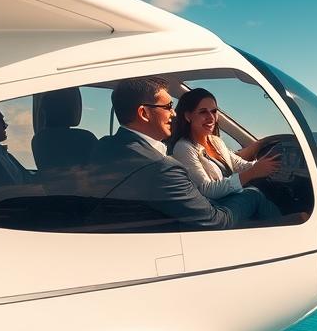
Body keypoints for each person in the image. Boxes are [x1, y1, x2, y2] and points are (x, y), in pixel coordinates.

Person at [90, 78, 234, 230]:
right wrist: (251, 195)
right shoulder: (161, 167)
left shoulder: (103, 146)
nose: (174, 114)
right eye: (168, 107)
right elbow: (215, 221)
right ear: (144, 113)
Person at [167, 87, 282, 223]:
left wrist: (266, 165)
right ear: (188, 116)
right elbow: (206, 190)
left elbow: (238, 165)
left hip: (229, 198)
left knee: (259, 191)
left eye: (214, 111)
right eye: (203, 112)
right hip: (215, 207)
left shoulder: (216, 141)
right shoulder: (184, 148)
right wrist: (252, 173)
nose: (211, 117)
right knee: (254, 194)